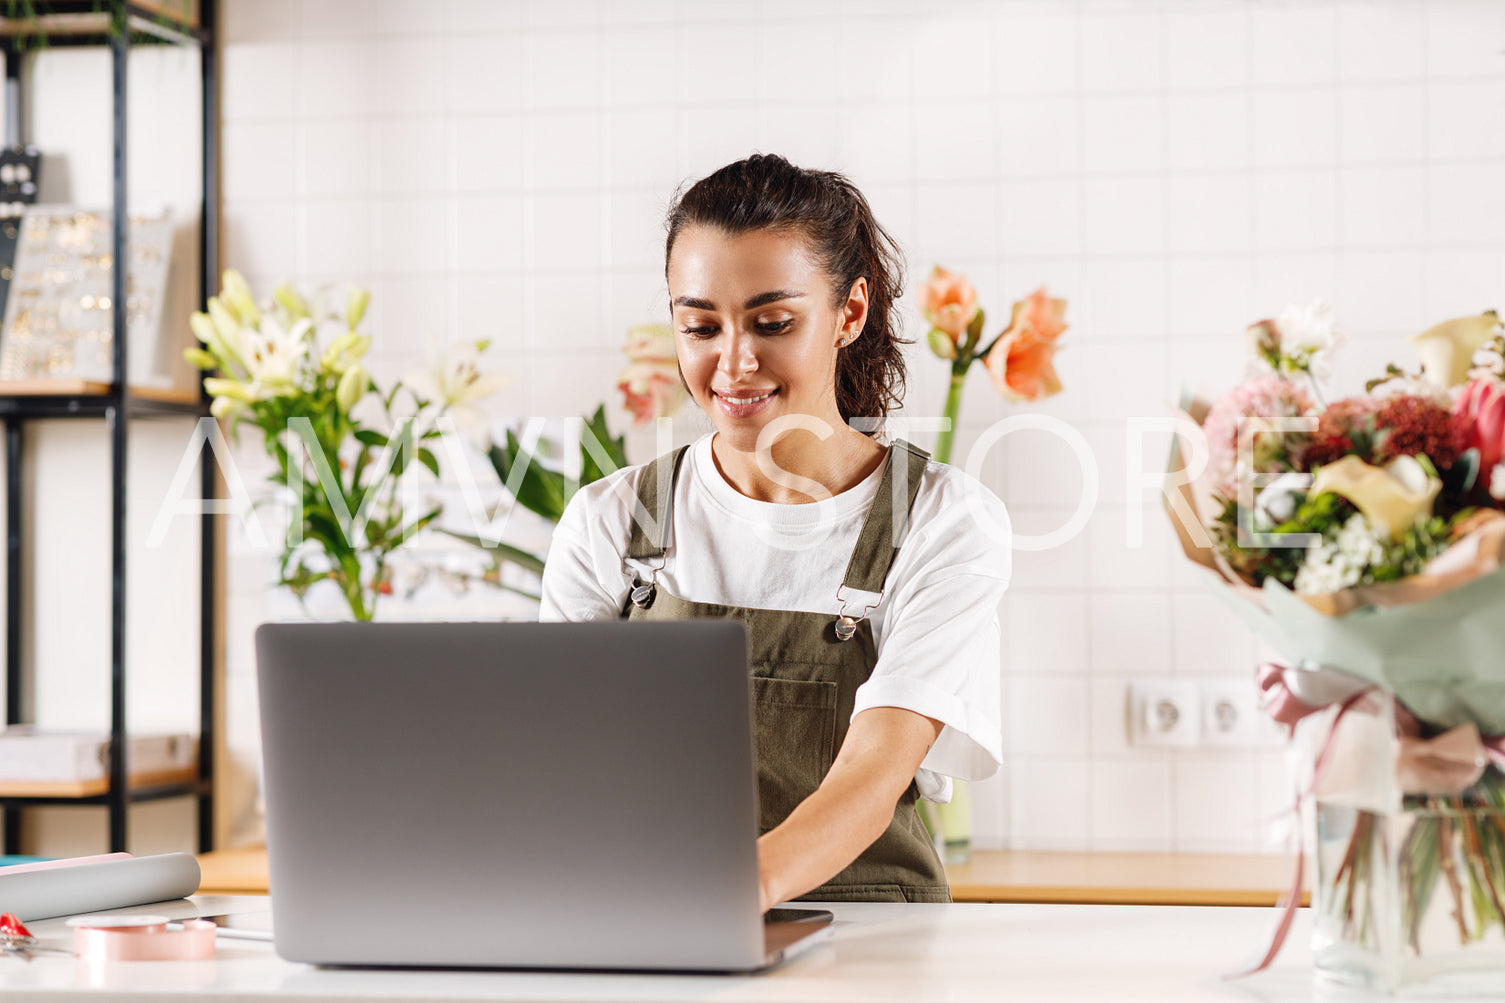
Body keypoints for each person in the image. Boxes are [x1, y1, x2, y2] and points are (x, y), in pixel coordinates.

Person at [540, 154, 1011, 907]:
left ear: (848, 314)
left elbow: (873, 767)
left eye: (773, 323)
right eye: (699, 324)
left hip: (868, 939)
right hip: (655, 923)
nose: (733, 362)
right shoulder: (610, 521)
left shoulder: (942, 518)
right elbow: (558, 759)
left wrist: (722, 895)